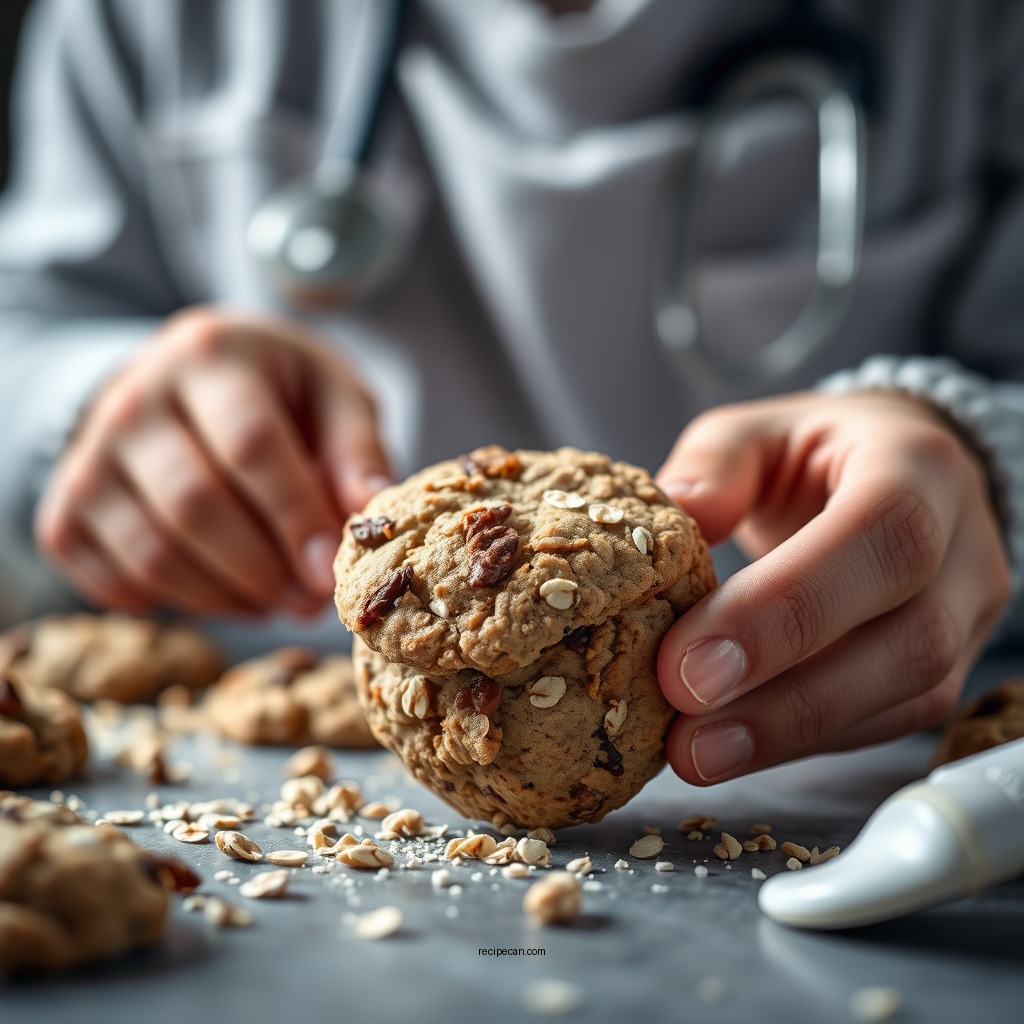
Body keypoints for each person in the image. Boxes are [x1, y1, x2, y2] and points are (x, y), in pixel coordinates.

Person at [0, 0, 1021, 789]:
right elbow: (27, 320)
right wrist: (81, 400)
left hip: (876, 764)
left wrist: (983, 455)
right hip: (210, 744)